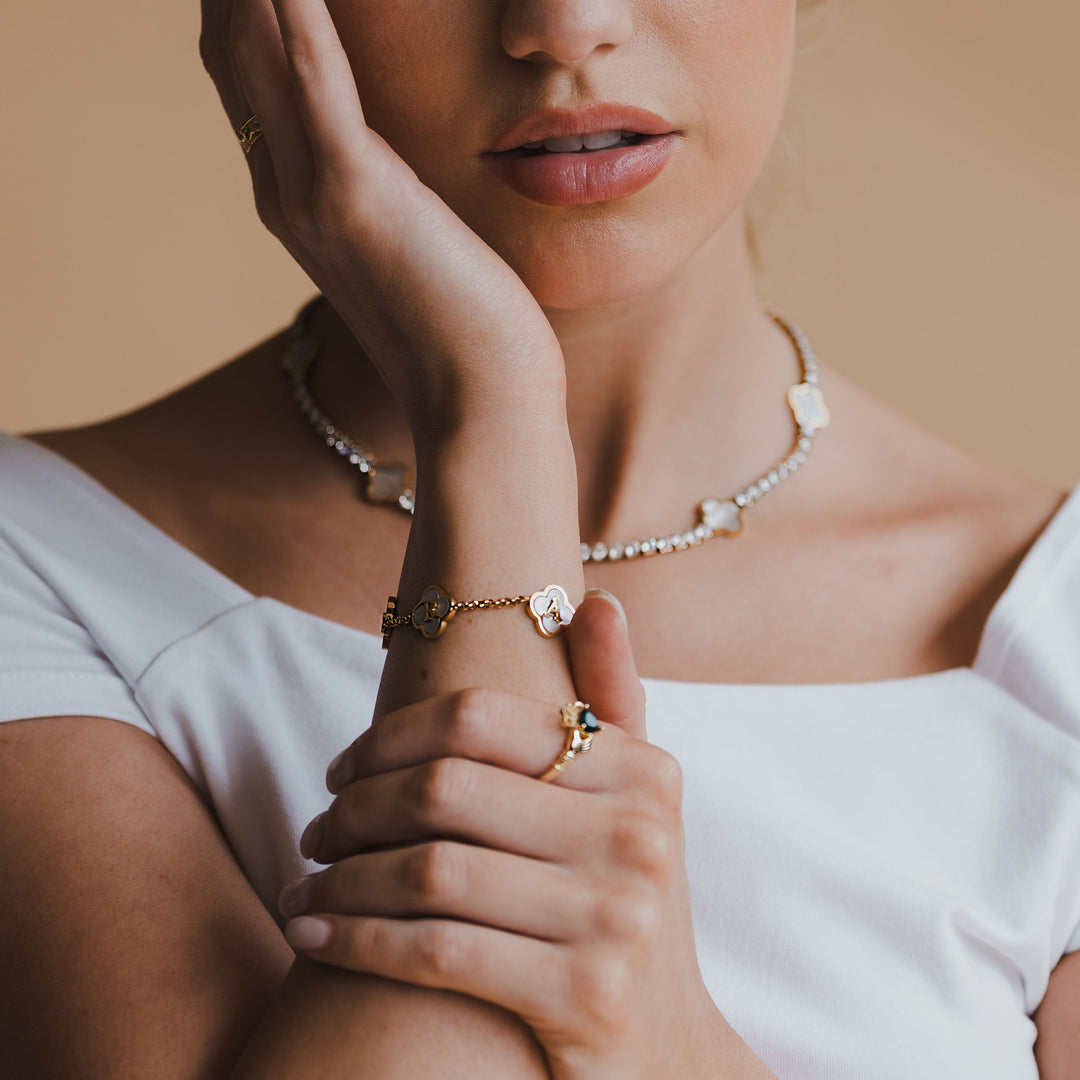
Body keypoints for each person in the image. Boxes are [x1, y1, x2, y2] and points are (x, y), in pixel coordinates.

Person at [1, 0, 1078, 1076]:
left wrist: (677, 1049)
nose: (565, 23)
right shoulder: (41, 570)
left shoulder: (1053, 634)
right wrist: (493, 413)